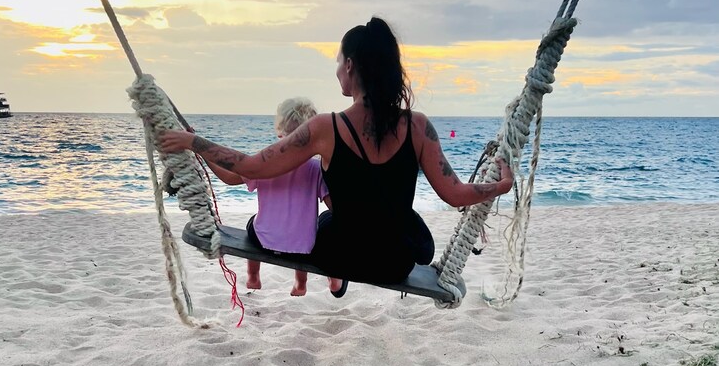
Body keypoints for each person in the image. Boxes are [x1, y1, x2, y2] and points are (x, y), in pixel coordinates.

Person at [159, 17, 513, 296]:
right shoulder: (418, 127)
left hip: (340, 256)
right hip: (395, 262)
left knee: (328, 223)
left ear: (352, 66)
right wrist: (499, 187)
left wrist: (195, 141)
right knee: (412, 229)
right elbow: (455, 195)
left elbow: (252, 167)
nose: (337, 69)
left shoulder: (325, 128)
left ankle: (340, 273)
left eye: (339, 60)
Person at [203, 97, 342, 297]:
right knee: (310, 230)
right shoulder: (315, 168)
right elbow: (334, 205)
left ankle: (253, 276)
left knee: (252, 223)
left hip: (264, 241)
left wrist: (205, 154)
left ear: (280, 132)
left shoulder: (264, 163)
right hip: (303, 247)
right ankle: (301, 284)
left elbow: (228, 178)